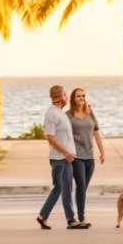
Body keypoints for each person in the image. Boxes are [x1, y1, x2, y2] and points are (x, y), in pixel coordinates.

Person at [37, 84, 85, 229]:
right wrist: (66, 153)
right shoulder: (52, 113)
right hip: (60, 159)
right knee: (66, 188)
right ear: (59, 97)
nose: (66, 98)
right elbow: (50, 137)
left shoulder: (59, 112)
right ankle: (71, 220)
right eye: (65, 95)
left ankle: (43, 216)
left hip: (64, 158)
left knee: (59, 188)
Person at [67, 88, 106, 228]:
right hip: (76, 156)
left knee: (83, 188)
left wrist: (102, 152)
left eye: (83, 96)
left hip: (90, 156)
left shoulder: (90, 113)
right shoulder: (68, 116)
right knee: (81, 186)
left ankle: (77, 215)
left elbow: (96, 133)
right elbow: (62, 135)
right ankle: (81, 218)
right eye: (78, 96)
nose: (81, 98)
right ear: (73, 99)